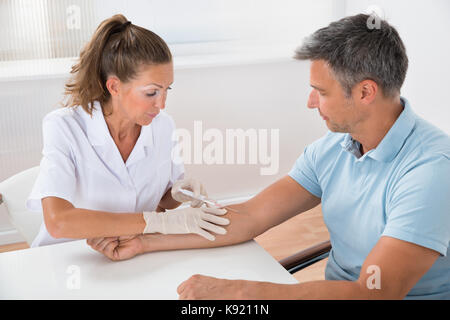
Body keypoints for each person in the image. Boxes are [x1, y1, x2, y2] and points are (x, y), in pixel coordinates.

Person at [88, 14, 450, 299]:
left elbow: (374, 293)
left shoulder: (431, 171)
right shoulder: (334, 149)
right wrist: (145, 241)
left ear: (366, 92)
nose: (310, 102)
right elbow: (249, 216)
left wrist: (240, 293)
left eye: (319, 91)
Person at [26, 14, 229, 247]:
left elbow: (163, 199)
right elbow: (58, 222)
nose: (161, 104)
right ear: (114, 86)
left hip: (129, 251)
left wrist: (177, 194)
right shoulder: (64, 127)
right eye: (152, 92)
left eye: (166, 90)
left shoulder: (162, 125)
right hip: (66, 257)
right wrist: (156, 222)